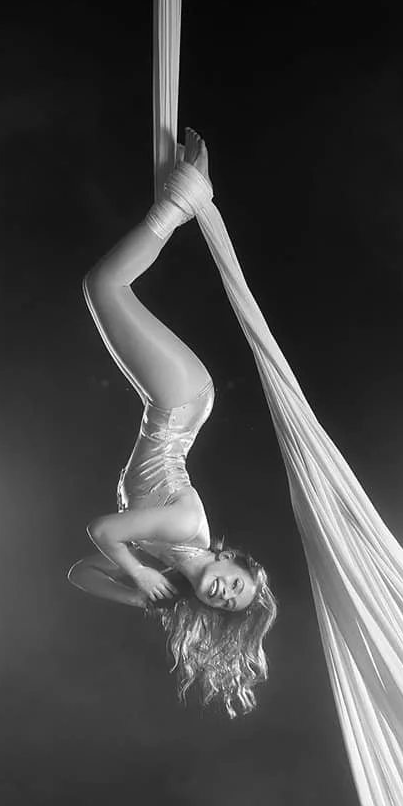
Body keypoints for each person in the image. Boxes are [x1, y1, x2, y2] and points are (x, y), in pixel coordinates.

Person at [68, 129, 277, 717]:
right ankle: (184, 198)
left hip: (166, 404)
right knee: (105, 286)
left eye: (228, 602)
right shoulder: (186, 527)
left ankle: (182, 195)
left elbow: (78, 573)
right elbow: (101, 530)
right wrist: (134, 566)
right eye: (238, 582)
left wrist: (142, 595)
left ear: (213, 607)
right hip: (180, 400)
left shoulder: (166, 565)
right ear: (233, 561)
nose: (226, 590)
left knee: (103, 287)